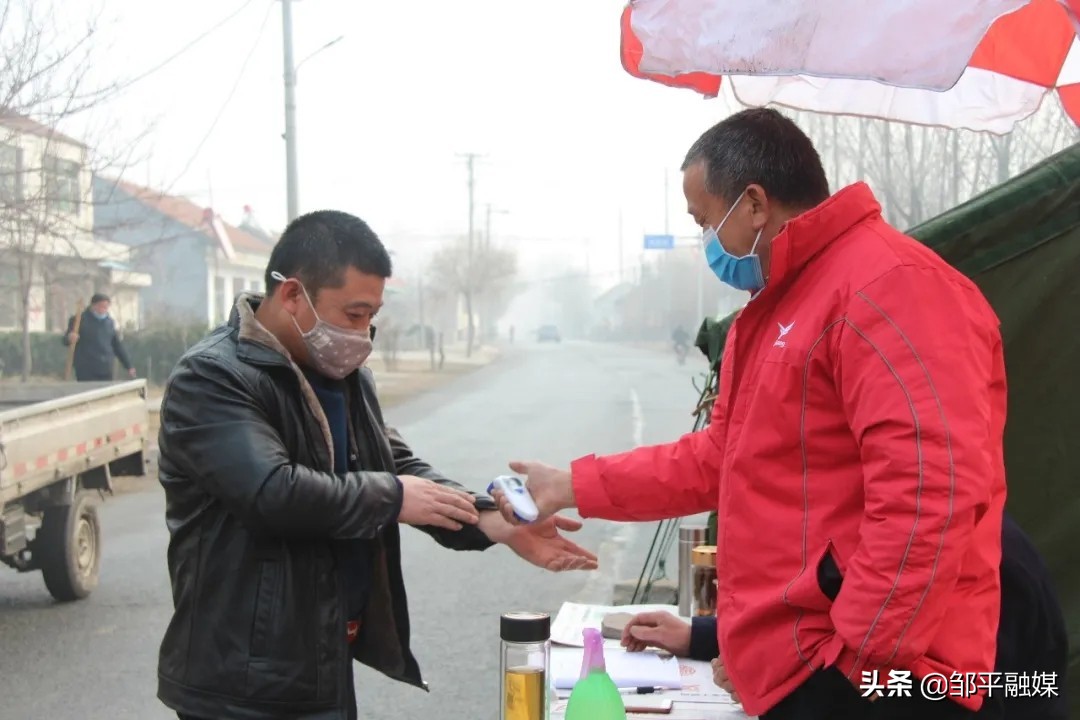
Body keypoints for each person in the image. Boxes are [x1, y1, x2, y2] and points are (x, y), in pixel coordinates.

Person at [493, 109, 1007, 719]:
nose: (707, 241)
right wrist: (571, 485)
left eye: (706, 220)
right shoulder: (784, 303)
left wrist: (848, 664)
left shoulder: (893, 287)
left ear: (755, 205)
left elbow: (926, 495)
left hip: (884, 675)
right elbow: (721, 458)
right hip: (810, 661)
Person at [155, 210, 598, 720]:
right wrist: (394, 497)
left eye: (372, 316)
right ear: (293, 295)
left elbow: (396, 463)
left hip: (322, 659)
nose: (363, 333)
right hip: (242, 679)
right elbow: (272, 492)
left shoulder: (342, 372)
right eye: (353, 314)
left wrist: (488, 519)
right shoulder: (213, 378)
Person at [621, 513, 1068, 719]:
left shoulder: (975, 562)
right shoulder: (879, 532)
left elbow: (965, 696)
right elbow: (829, 620)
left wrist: (786, 688)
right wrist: (703, 637)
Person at [62, 293, 136, 381]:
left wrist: (128, 366)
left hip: (106, 367)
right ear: (93, 306)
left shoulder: (109, 322)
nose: (104, 309)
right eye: (101, 306)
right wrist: (70, 338)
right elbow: (65, 340)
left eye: (106, 307)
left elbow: (117, 346)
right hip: (86, 367)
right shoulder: (79, 320)